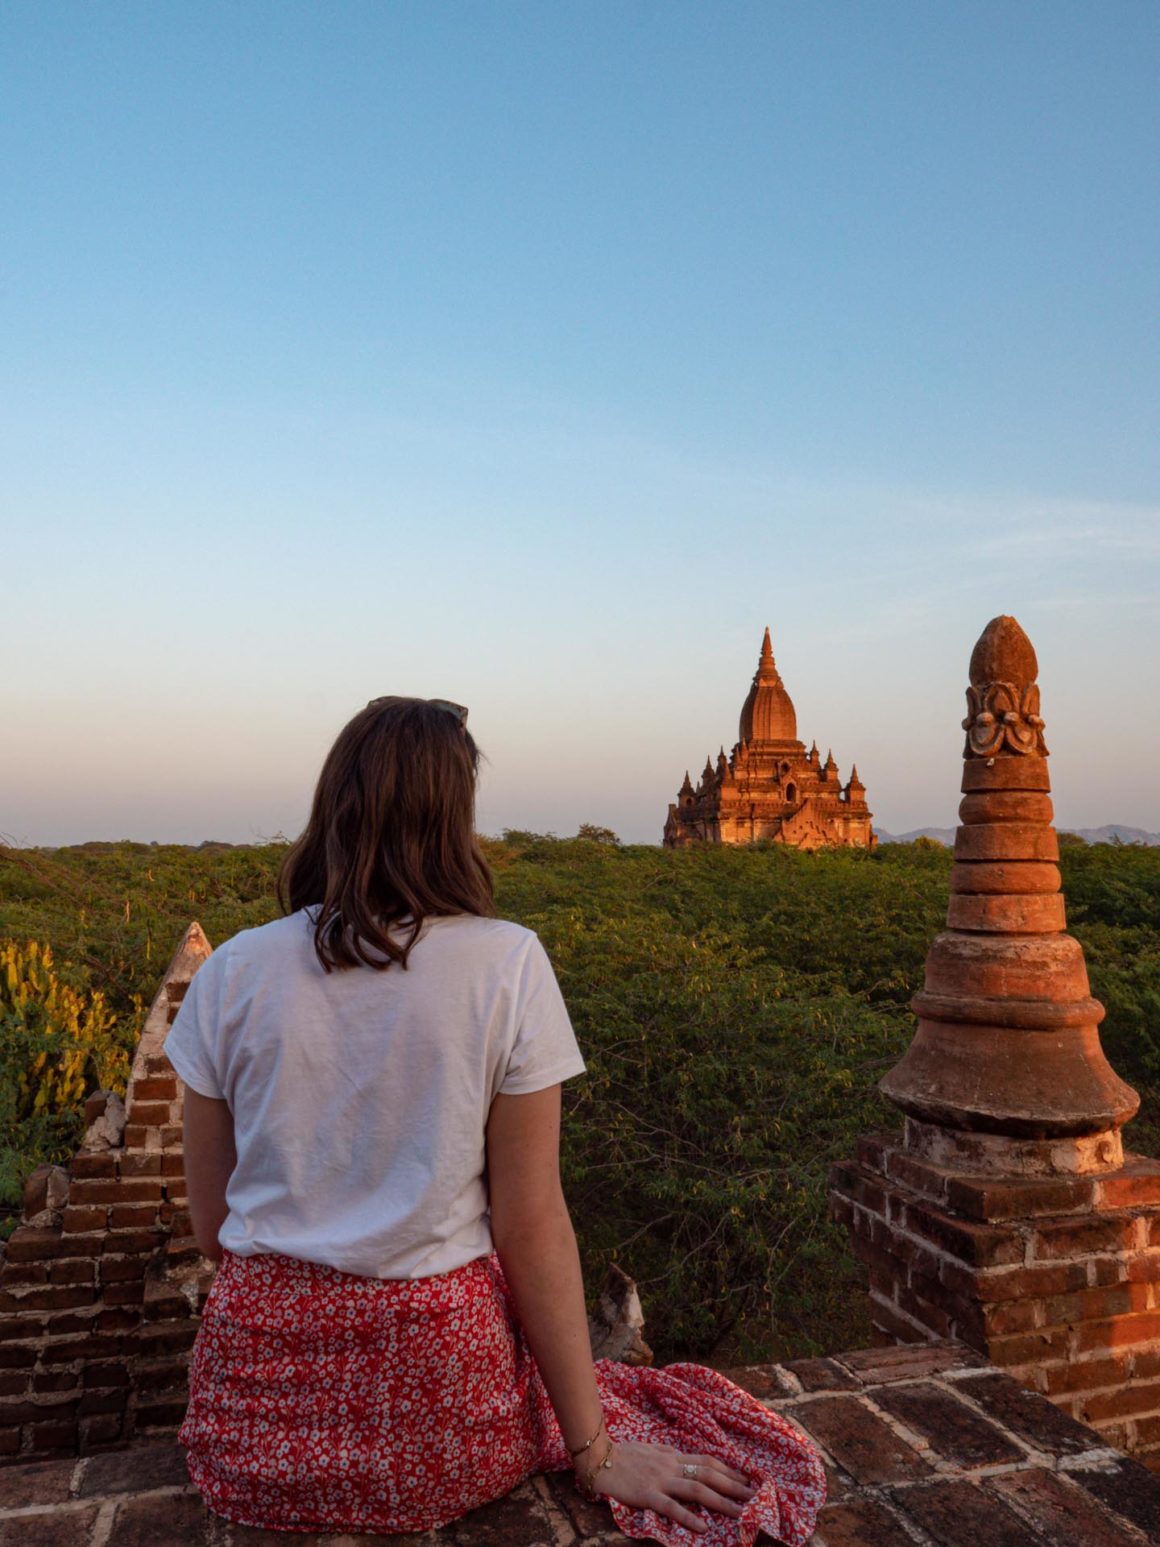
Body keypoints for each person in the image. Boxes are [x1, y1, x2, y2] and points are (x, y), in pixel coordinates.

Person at [167, 696, 826, 1544]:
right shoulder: (507, 960)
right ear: (455, 817)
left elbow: (213, 1229)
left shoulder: (231, 972)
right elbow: (530, 1219)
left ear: (334, 805)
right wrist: (595, 1449)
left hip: (252, 1438)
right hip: (448, 1432)